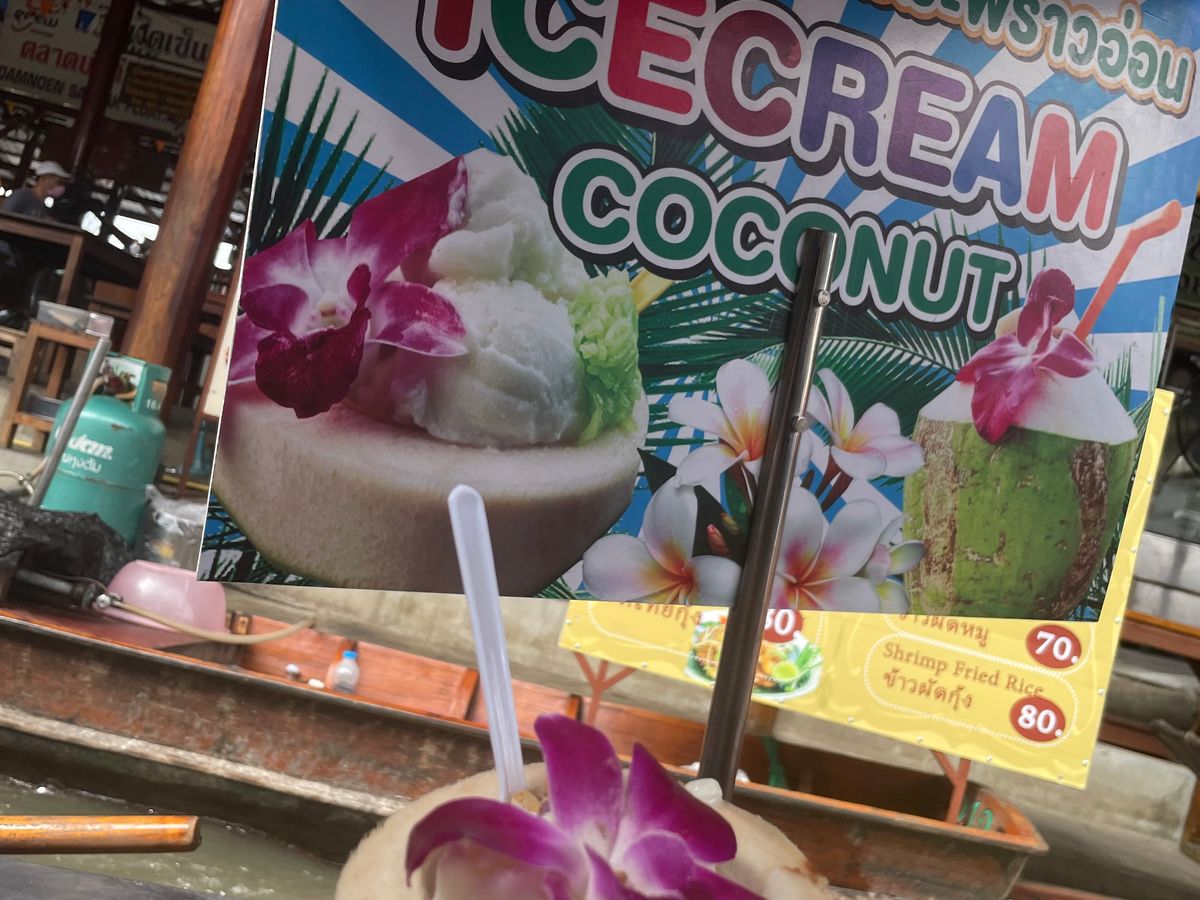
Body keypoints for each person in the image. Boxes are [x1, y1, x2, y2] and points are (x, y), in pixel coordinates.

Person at [2, 160, 70, 219]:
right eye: (58, 182)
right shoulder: (21, 196)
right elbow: (4, 220)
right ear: (45, 178)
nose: (60, 186)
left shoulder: (43, 206)